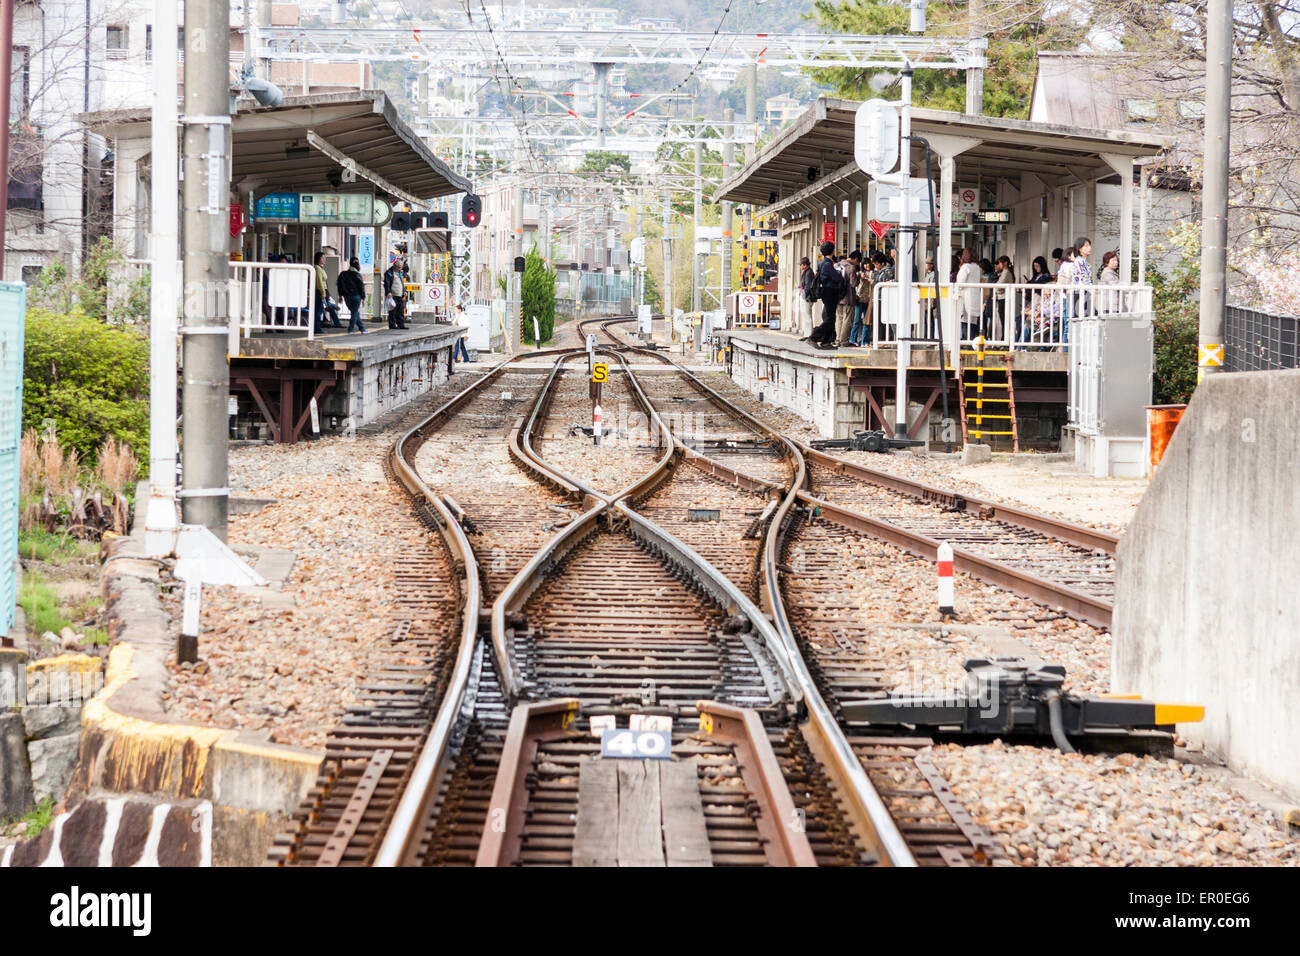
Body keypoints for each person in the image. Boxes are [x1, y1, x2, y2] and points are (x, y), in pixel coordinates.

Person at [809, 241, 843, 348]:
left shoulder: (822, 262)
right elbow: (838, 278)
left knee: (830, 317)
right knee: (829, 318)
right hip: (830, 292)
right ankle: (814, 337)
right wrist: (838, 272)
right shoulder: (828, 264)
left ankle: (827, 341)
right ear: (832, 251)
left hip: (826, 291)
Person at [955, 247, 982, 341]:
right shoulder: (977, 267)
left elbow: (960, 283)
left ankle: (967, 345)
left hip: (966, 299)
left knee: (965, 323)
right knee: (973, 324)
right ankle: (974, 345)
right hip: (975, 298)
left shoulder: (966, 267)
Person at [835, 250, 860, 347]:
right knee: (847, 319)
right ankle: (844, 341)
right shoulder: (851, 267)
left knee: (839, 318)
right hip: (848, 297)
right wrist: (858, 277)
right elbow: (853, 284)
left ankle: (838, 339)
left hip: (837, 297)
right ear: (856, 259)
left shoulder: (836, 265)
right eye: (857, 262)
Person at [337, 256, 368, 334]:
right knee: (354, 313)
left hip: (347, 296)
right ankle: (351, 329)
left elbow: (339, 285)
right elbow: (361, 287)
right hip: (356, 296)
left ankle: (362, 329)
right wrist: (363, 298)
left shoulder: (343, 274)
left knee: (355, 312)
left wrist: (340, 296)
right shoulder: (357, 275)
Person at [850, 253, 874, 347]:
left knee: (867, 322)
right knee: (856, 321)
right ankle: (853, 340)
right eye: (864, 264)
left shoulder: (874, 273)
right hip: (859, 300)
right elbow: (857, 287)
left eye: (868, 263)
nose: (866, 265)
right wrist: (861, 278)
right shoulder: (859, 274)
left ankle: (865, 341)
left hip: (869, 300)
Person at [384, 258, 408, 330]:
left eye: (401, 267)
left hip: (400, 294)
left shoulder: (400, 273)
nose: (400, 269)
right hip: (392, 294)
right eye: (399, 267)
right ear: (395, 266)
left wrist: (404, 291)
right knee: (392, 311)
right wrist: (388, 292)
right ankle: (392, 325)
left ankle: (401, 324)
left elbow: (401, 283)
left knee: (400, 310)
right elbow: (387, 283)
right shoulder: (389, 272)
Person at [797, 256, 817, 339]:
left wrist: (804, 294)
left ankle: (809, 335)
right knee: (805, 315)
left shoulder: (809, 273)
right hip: (805, 296)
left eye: (801, 265)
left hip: (807, 297)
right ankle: (806, 334)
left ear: (805, 265)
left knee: (807, 316)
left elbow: (808, 286)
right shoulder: (807, 272)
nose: (800, 266)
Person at [312, 252, 331, 334]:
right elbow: (320, 282)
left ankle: (317, 327)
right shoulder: (317, 268)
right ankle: (316, 328)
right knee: (318, 311)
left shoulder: (320, 268)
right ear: (319, 259)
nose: (324, 259)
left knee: (319, 310)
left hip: (322, 291)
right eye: (323, 258)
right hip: (320, 291)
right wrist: (323, 293)